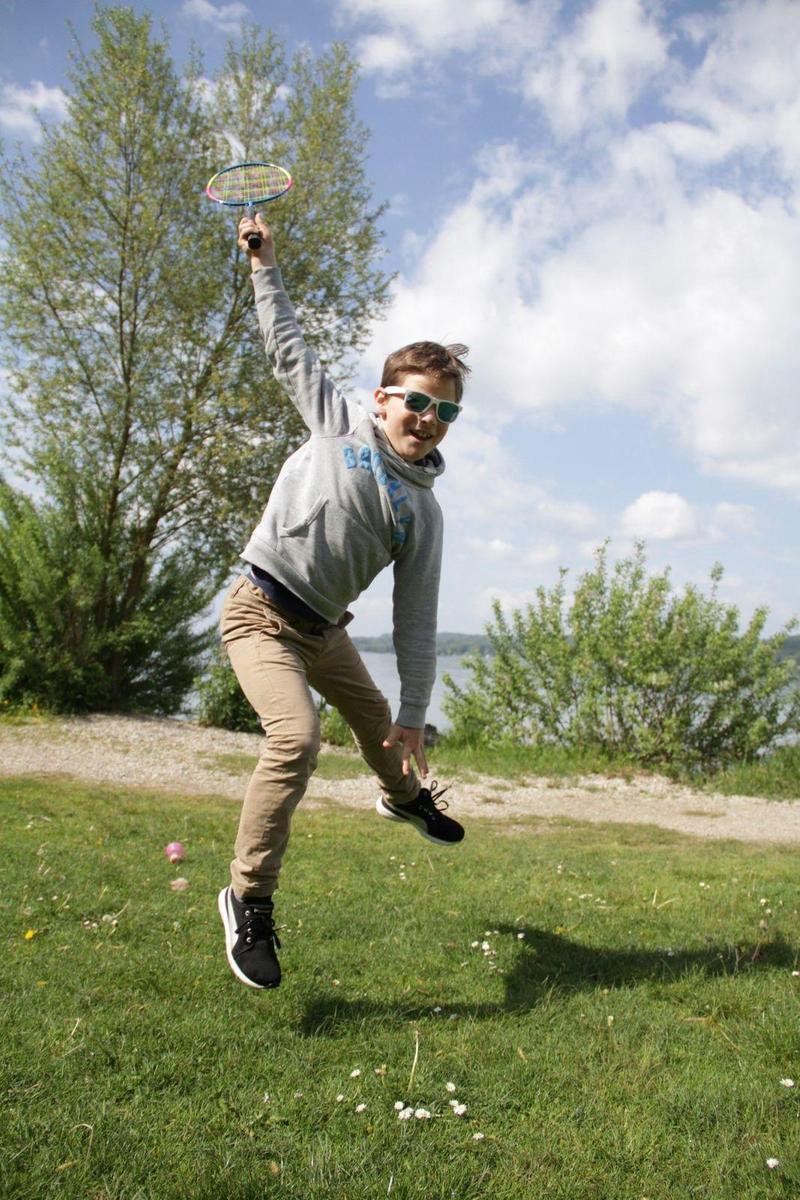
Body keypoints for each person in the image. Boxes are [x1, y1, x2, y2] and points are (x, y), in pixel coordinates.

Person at [217, 212, 468, 990]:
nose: (428, 421)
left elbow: (416, 624)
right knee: (296, 738)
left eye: (446, 412)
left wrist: (413, 713)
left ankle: (405, 799)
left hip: (324, 631)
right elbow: (286, 345)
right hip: (259, 609)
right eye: (418, 403)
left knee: (380, 733)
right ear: (383, 398)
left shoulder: (421, 513)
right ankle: (248, 899)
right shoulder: (337, 425)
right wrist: (264, 267)